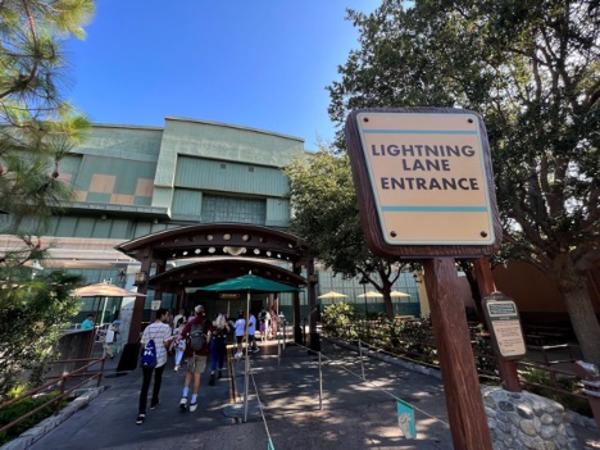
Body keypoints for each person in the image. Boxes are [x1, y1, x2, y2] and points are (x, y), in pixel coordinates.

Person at [136, 308, 173, 425]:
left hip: (148, 358)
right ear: (162, 315)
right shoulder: (166, 328)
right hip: (160, 358)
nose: (168, 317)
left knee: (145, 385)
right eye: (167, 315)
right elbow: (166, 344)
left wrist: (143, 356)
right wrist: (171, 341)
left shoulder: (148, 327)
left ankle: (141, 413)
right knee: (158, 379)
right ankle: (154, 401)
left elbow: (142, 344)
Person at [178, 305, 212, 412]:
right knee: (197, 376)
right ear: (204, 312)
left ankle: (184, 398)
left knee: (189, 374)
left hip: (191, 352)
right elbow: (210, 335)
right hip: (202, 352)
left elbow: (182, 335)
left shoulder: (191, 322)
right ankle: (193, 401)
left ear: (195, 312)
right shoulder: (207, 323)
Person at [208, 313, 230, 385]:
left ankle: (212, 373)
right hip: (222, 344)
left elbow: (209, 333)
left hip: (214, 343)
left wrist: (208, 342)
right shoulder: (224, 326)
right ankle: (220, 371)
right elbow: (229, 331)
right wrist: (226, 324)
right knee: (221, 359)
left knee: (214, 359)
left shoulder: (213, 325)